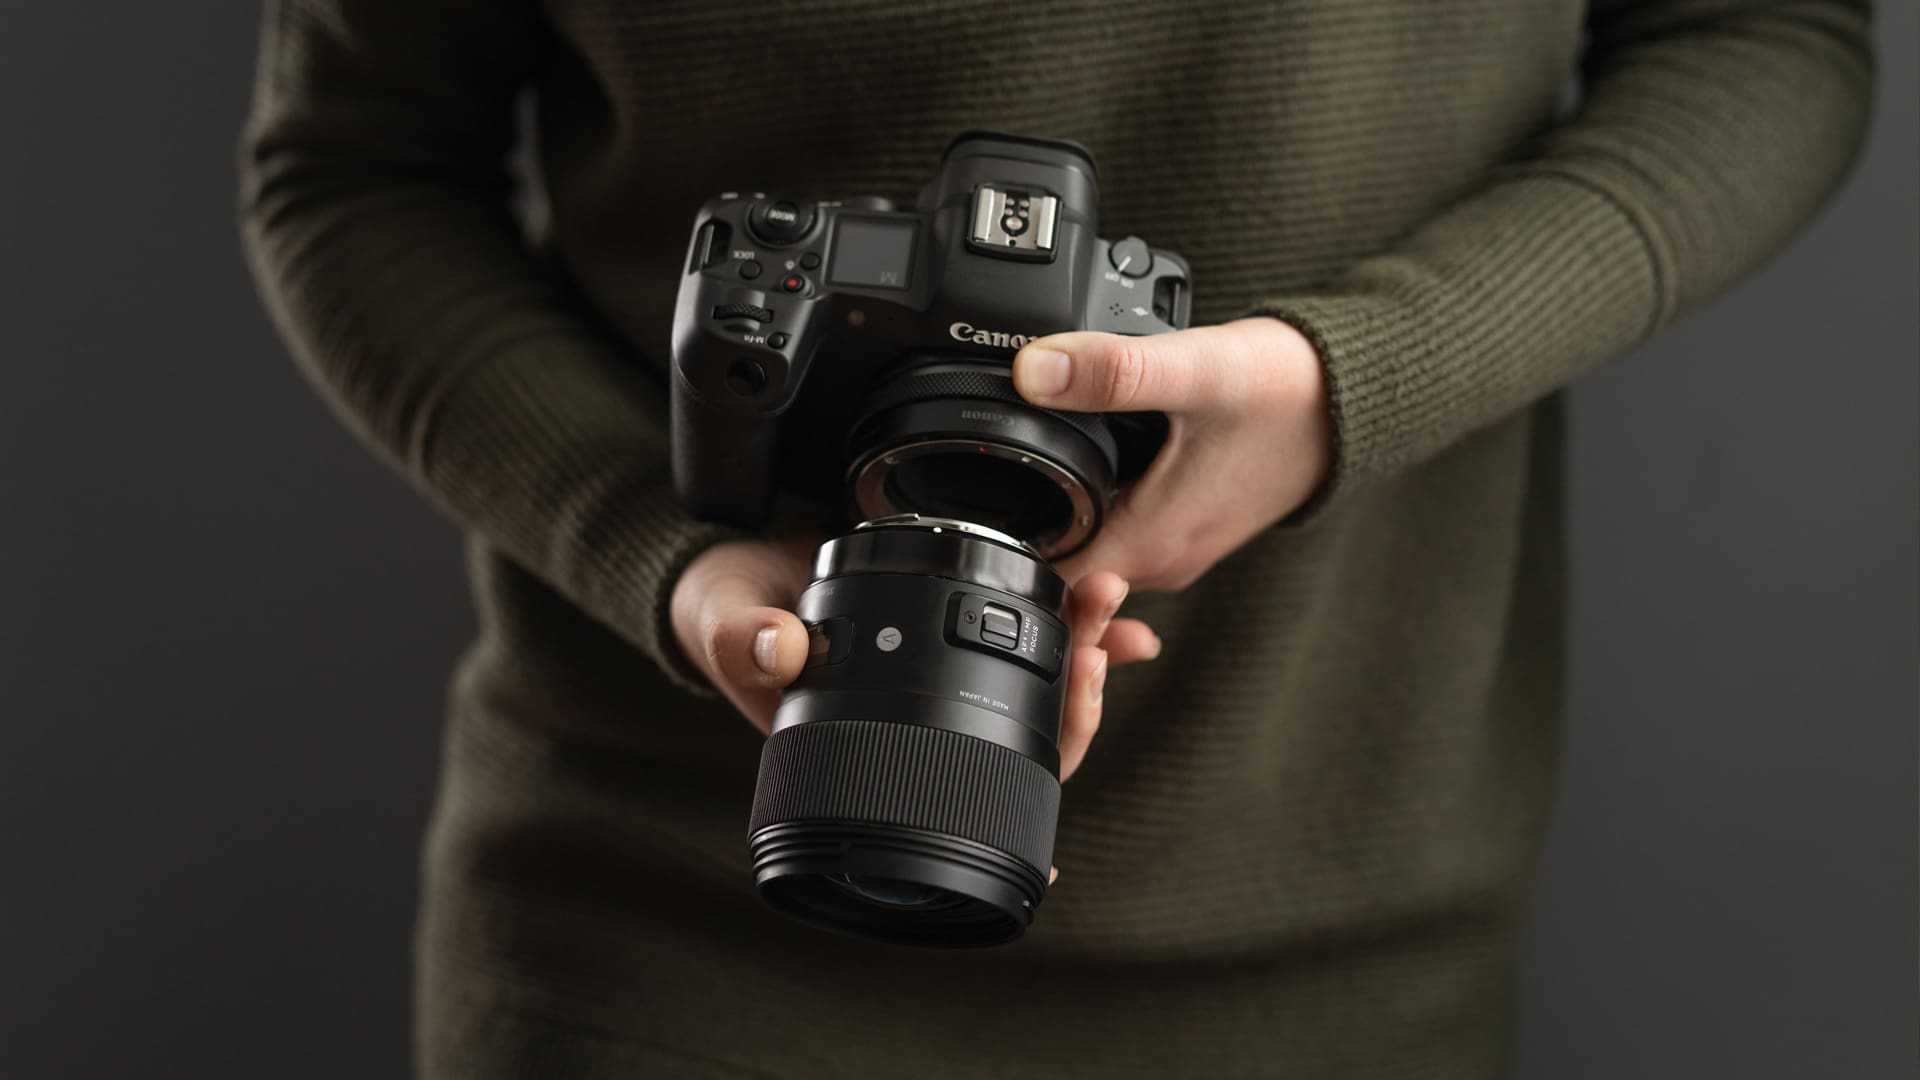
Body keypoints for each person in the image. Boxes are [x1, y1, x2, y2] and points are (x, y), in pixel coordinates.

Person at [239, 1, 1873, 1075]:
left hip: (1332, 967)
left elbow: (1765, 31)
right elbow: (354, 167)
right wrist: (661, 553)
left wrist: (1358, 379)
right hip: (662, 950)